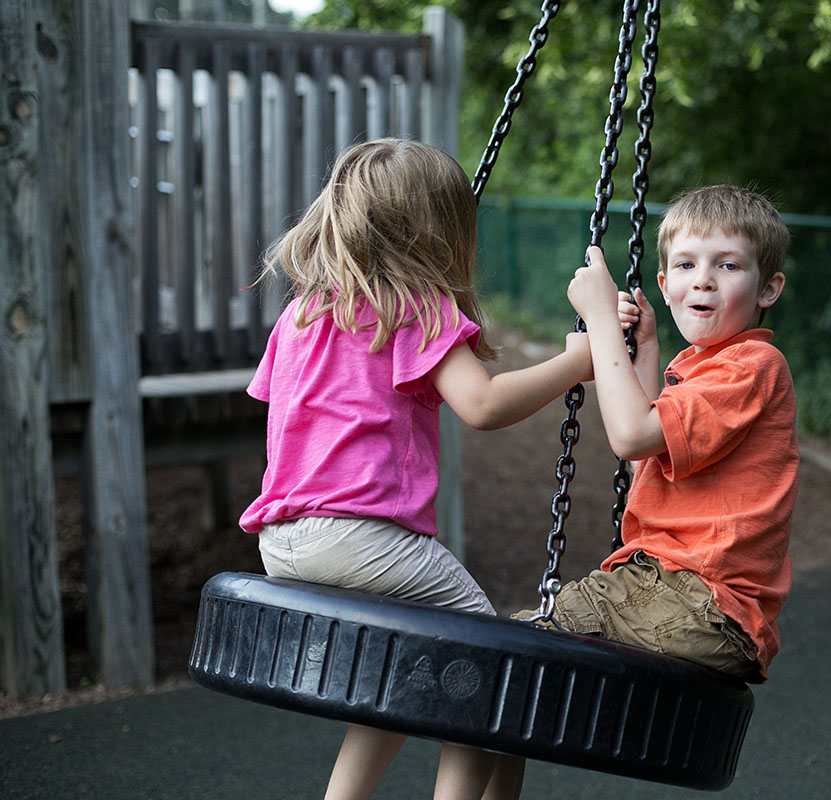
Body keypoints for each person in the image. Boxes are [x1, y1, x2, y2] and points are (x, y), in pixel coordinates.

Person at [238, 138, 590, 800]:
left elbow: (287, 410)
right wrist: (577, 363)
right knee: (491, 657)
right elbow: (481, 405)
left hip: (283, 541)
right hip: (359, 537)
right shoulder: (418, 306)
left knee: (401, 680)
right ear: (441, 233)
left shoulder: (304, 312)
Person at [524, 184, 800, 686]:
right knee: (513, 664)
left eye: (728, 266)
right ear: (665, 283)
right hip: (676, 590)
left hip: (704, 601)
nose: (704, 282)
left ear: (768, 289)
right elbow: (645, 465)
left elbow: (629, 436)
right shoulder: (697, 368)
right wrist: (645, 351)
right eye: (687, 265)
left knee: (513, 656)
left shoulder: (752, 366)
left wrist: (602, 320)